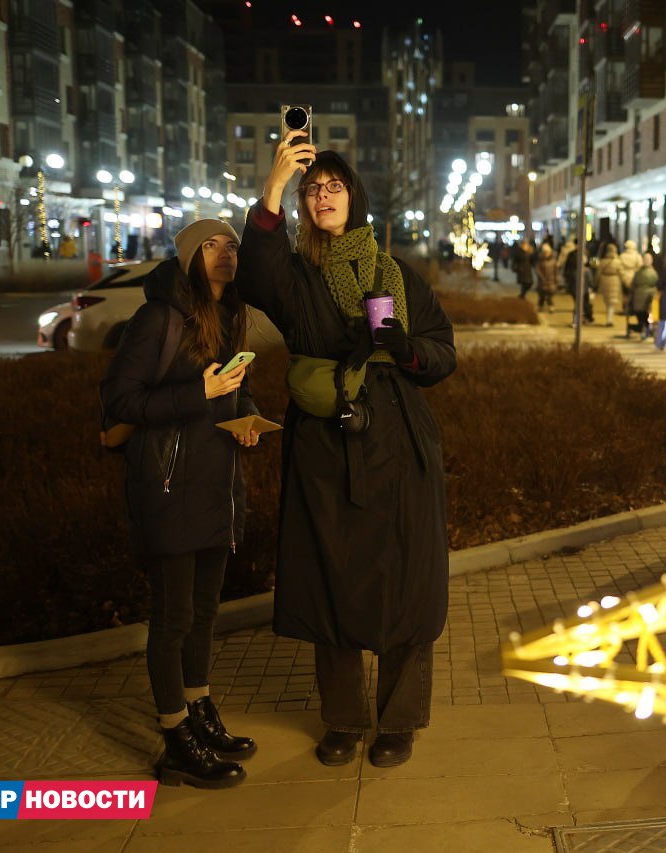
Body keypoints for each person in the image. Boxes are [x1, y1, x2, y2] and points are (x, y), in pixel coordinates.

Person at [237, 132, 456, 770]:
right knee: (329, 577)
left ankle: (400, 720)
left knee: (404, 582)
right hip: (326, 447)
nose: (323, 195)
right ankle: (342, 718)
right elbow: (255, 274)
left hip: (398, 443)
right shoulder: (294, 275)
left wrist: (405, 346)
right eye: (314, 188)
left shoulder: (397, 274)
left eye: (333, 186)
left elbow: (443, 353)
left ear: (353, 197)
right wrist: (274, 184)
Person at [101, 219, 262, 789]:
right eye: (212, 246)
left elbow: (234, 390)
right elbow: (121, 398)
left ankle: (199, 710)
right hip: (167, 487)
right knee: (171, 620)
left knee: (204, 612)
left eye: (232, 245)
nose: (226, 254)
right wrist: (200, 393)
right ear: (190, 256)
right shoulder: (158, 319)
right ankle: (174, 740)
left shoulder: (230, 317)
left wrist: (245, 419)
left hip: (217, 487)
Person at [627, 252, 658, 339]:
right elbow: (656, 282)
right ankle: (646, 329)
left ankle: (642, 328)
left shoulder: (638, 272)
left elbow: (633, 283)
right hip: (649, 296)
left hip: (638, 297)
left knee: (640, 314)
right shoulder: (653, 272)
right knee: (646, 314)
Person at [595, 243, 624, 328]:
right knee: (612, 301)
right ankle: (609, 319)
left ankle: (609, 319)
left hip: (605, 281)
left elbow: (598, 273)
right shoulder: (618, 261)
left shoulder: (603, 261)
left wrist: (596, 283)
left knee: (607, 301)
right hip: (615, 280)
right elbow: (621, 272)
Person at [535, 243, 558, 313]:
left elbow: (556, 271)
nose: (546, 253)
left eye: (547, 252)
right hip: (542, 281)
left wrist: (556, 279)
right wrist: (541, 277)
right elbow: (537, 270)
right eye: (545, 252)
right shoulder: (540, 261)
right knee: (542, 295)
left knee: (549, 295)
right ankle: (540, 306)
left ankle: (551, 306)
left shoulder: (553, 261)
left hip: (551, 281)